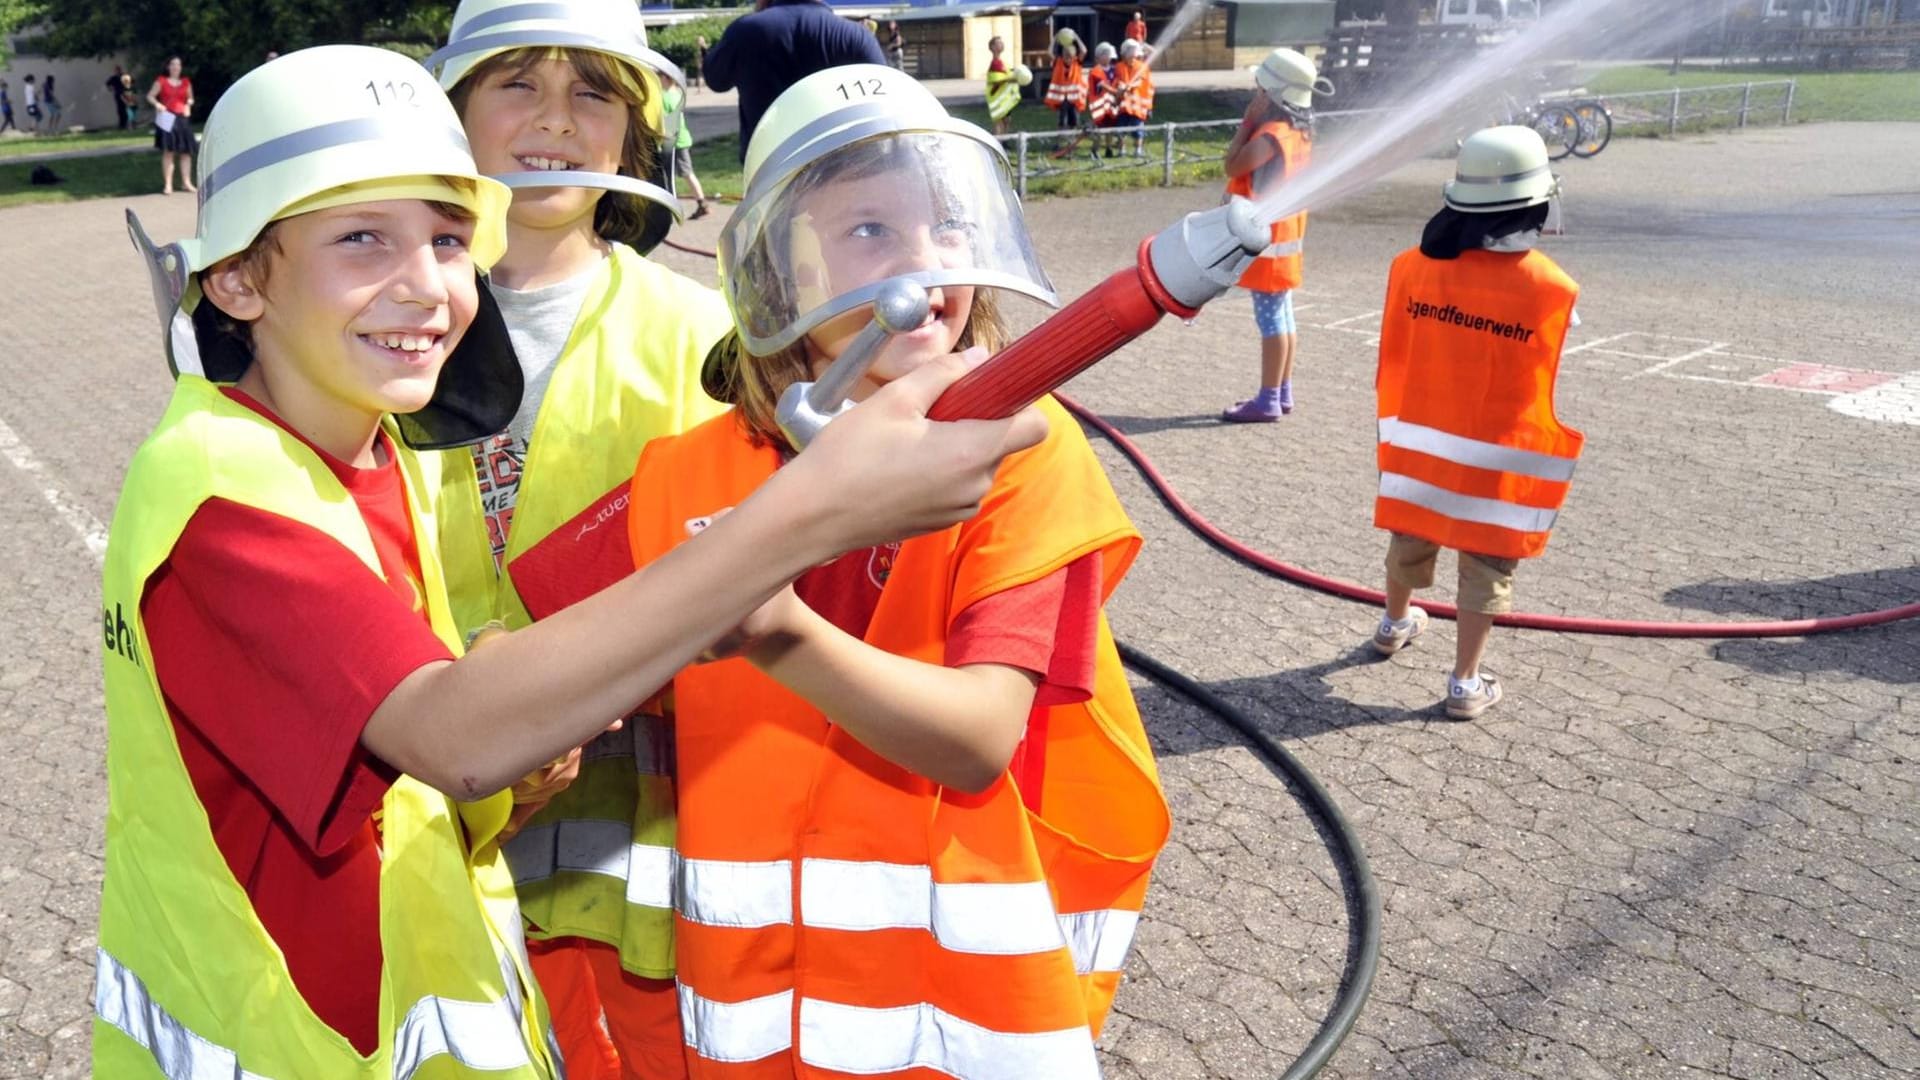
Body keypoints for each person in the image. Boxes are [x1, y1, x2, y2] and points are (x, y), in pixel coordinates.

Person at [105, 42, 1040, 1080]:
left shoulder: (369, 453)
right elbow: (454, 735)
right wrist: (811, 512)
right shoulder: (223, 493)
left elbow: (415, 762)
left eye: (451, 239)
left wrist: (515, 775)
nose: (424, 286)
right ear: (236, 279)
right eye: (363, 239)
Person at [643, 63, 1170, 1077]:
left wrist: (773, 627)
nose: (925, 263)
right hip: (757, 1016)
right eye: (870, 230)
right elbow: (561, 657)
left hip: (958, 1021)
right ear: (775, 270)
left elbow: (978, 739)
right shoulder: (685, 473)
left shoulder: (1024, 450)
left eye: (949, 225)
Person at [424, 0, 725, 1071]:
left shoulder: (702, 337)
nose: (554, 118)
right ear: (451, 111)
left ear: (632, 134)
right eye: (516, 84)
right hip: (434, 815)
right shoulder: (384, 323)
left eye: (592, 90)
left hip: (643, 839)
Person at [1368, 125, 1583, 720]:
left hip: (1420, 448)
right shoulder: (1552, 289)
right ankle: (1464, 683)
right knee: (1487, 567)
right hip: (1498, 464)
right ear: (1536, 204)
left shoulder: (1409, 268)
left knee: (1408, 535)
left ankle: (1392, 624)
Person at [1220, 48, 1331, 423]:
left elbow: (1232, 164)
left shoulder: (1270, 136)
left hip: (1267, 246)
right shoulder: (1300, 132)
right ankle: (1282, 391)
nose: (1256, 94)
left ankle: (1267, 399)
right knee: (1284, 318)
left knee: (1270, 322)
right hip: (1287, 241)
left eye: (1260, 90)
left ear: (1273, 95)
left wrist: (1246, 123)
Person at [703, 0, 887, 160]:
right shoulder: (855, 35)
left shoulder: (745, 31)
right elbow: (885, 101)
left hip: (766, 169)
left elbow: (715, 80)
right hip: (838, 166)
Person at [663, 73, 712, 219]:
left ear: (665, 78)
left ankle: (672, 207)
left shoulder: (664, 97)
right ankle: (701, 203)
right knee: (685, 173)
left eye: (658, 76)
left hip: (673, 142)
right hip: (681, 140)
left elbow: (664, 122)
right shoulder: (676, 93)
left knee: (673, 175)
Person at [146, 56, 196, 195]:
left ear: (181, 67)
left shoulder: (186, 82)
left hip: (182, 118)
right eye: (173, 64)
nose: (175, 67)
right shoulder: (161, 81)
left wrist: (188, 104)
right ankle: (168, 185)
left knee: (186, 152)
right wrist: (157, 104)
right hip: (167, 117)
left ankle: (186, 182)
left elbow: (190, 98)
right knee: (169, 152)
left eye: (178, 64)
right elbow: (150, 96)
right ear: (168, 67)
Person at [1113, 39, 1153, 158]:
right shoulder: (1119, 67)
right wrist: (1120, 86)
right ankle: (1121, 151)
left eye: (1133, 53)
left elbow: (1141, 81)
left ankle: (1138, 150)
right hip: (1124, 105)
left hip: (1137, 106)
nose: (1131, 56)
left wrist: (1129, 86)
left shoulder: (1142, 66)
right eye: (1129, 53)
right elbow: (1117, 80)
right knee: (1121, 128)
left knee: (1138, 129)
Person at [1043, 28, 1088, 133]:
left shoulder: (1077, 63)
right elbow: (1048, 52)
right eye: (1066, 55)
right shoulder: (1057, 62)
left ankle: (1071, 141)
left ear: (1073, 55)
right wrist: (1055, 38)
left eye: (1070, 56)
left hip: (1074, 99)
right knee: (1062, 121)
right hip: (1061, 99)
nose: (1068, 58)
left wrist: (1075, 36)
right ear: (1063, 55)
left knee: (1074, 121)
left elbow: (1084, 50)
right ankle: (1060, 141)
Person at [984, 35, 1024, 136]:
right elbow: (996, 81)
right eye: (998, 43)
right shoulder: (995, 63)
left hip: (1004, 99)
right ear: (992, 47)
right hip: (997, 99)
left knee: (1006, 120)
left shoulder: (1002, 62)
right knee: (999, 122)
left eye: (1002, 43)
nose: (1002, 45)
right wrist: (1011, 79)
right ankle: (999, 142)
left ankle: (1003, 141)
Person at [1086, 42, 1120, 158]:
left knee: (1110, 129)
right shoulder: (1095, 71)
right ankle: (1095, 150)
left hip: (1111, 105)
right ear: (1099, 56)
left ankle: (1109, 149)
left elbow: (1117, 82)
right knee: (1099, 130)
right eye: (1105, 54)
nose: (1108, 57)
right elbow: (1103, 85)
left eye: (1108, 54)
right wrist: (1116, 92)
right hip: (1098, 106)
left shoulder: (1114, 70)